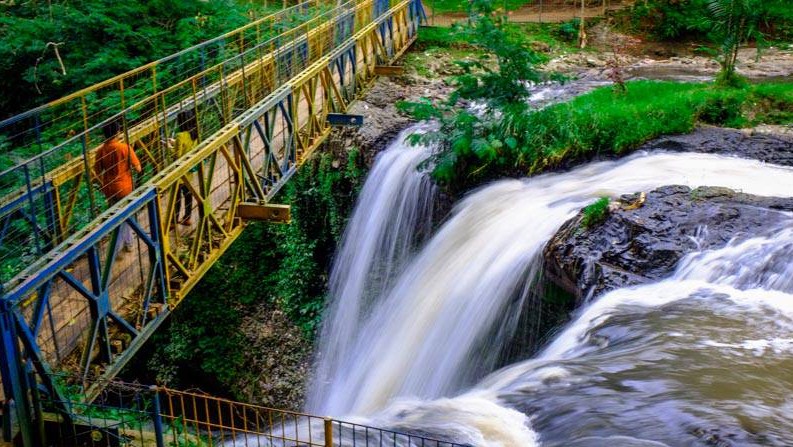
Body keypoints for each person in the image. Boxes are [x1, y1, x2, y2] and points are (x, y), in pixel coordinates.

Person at [93, 118, 142, 252]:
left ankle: (121, 243)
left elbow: (96, 172)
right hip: (125, 187)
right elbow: (138, 168)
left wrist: (103, 185)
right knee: (127, 215)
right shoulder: (125, 148)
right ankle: (125, 244)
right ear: (118, 132)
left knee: (115, 216)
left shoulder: (100, 151)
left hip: (109, 189)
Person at [173, 110, 198, 225]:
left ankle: (173, 220)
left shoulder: (179, 135)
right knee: (187, 193)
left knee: (176, 196)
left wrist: (169, 146)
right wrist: (175, 143)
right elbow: (188, 148)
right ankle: (187, 218)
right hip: (189, 168)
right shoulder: (194, 134)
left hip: (179, 171)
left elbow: (177, 155)